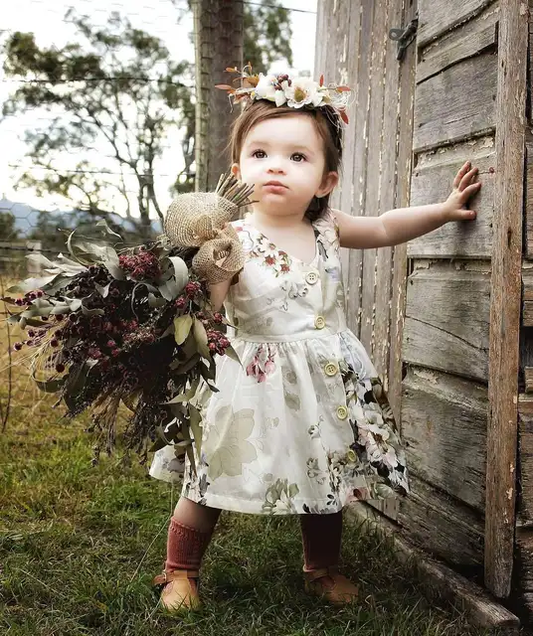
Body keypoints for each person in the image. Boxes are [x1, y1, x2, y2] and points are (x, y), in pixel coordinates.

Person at [149, 70, 481, 612]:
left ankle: (322, 568)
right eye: (260, 154)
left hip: (322, 377)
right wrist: (213, 277)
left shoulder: (327, 226)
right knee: (209, 477)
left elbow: (384, 226)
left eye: (298, 158)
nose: (276, 165)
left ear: (325, 181)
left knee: (323, 471)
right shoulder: (228, 238)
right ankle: (179, 570)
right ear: (237, 172)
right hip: (246, 376)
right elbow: (208, 318)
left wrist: (441, 212)